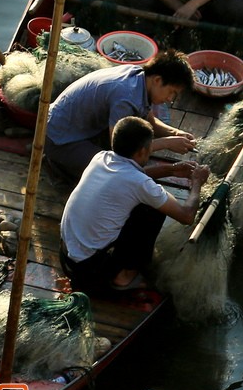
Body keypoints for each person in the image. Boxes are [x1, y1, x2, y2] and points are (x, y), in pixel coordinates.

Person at [59, 115, 210, 293]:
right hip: (90, 270)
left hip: (67, 257)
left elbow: (131, 178)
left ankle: (118, 266)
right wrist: (197, 182)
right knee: (152, 209)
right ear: (142, 151)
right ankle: (123, 276)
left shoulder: (101, 158)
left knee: (143, 200)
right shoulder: (139, 183)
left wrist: (171, 169)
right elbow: (187, 215)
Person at [45, 49, 197, 181]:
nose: (170, 100)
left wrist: (175, 133)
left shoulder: (140, 78)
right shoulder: (126, 97)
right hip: (59, 140)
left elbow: (151, 122)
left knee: (137, 150)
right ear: (157, 80)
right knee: (119, 169)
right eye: (172, 92)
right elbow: (122, 152)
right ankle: (59, 165)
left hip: (80, 129)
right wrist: (167, 143)